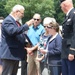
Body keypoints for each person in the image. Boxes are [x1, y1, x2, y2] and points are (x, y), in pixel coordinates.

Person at [1, 4, 33, 75]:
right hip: (9, 54)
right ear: (17, 12)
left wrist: (26, 44)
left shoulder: (16, 22)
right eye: (22, 13)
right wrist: (26, 25)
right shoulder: (8, 20)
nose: (23, 15)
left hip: (14, 54)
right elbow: (12, 32)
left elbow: (18, 36)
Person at [60, 0, 75, 75]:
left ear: (64, 5)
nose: (61, 8)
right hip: (66, 51)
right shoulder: (68, 16)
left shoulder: (73, 14)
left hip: (71, 52)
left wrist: (72, 51)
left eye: (61, 6)